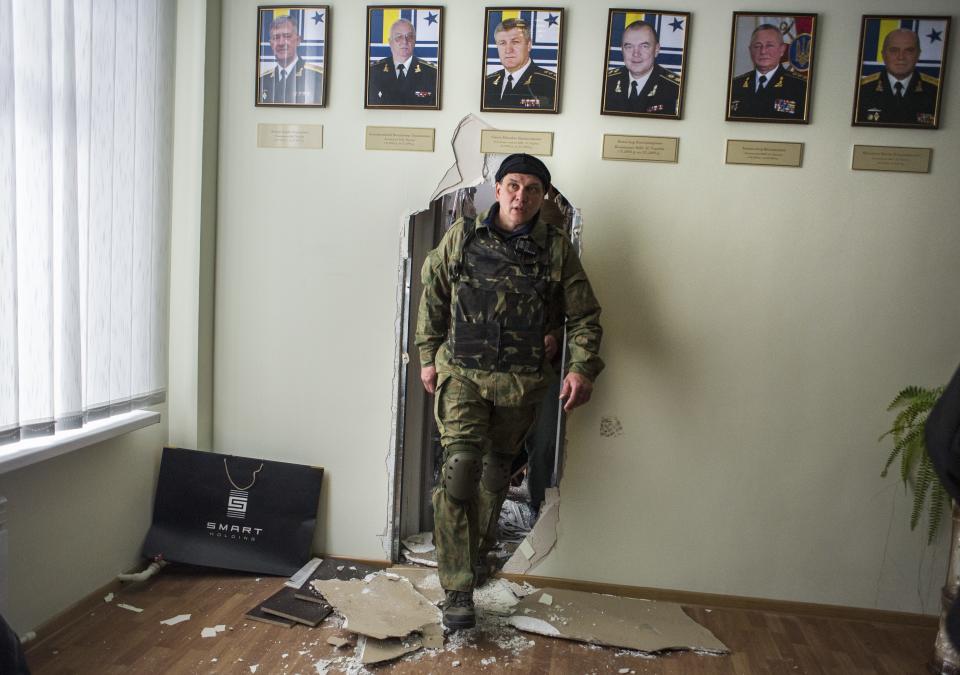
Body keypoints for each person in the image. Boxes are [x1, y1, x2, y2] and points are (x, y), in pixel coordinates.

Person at [416, 154, 604, 630]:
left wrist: (580, 368)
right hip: (462, 373)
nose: (522, 197)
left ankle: (476, 555)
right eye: (514, 186)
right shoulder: (461, 237)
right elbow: (433, 295)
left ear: (544, 197)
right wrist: (426, 356)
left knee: (497, 473)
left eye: (533, 189)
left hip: (519, 381)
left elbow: (582, 315)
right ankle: (457, 589)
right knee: (459, 468)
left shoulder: (557, 249)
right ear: (497, 189)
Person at [857, 28, 939, 126]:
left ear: (918, 54)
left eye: (909, 50)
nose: (901, 57)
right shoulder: (862, 90)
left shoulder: (935, 90)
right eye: (894, 50)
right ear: (883, 54)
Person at [729, 23, 807, 120]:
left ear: (782, 49)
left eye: (769, 45)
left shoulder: (800, 86)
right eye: (757, 46)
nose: (763, 51)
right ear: (750, 50)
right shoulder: (735, 85)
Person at [604, 20, 680, 116]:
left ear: (656, 49)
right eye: (629, 46)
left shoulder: (675, 89)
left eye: (644, 46)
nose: (636, 54)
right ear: (622, 50)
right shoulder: (607, 82)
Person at [482, 19, 557, 110]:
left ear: (528, 45)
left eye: (515, 42)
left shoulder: (551, 83)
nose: (508, 50)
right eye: (502, 43)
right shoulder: (487, 83)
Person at [367, 18, 438, 107]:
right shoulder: (373, 72)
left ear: (414, 41)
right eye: (399, 37)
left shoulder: (432, 73)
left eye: (409, 36)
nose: (404, 41)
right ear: (390, 42)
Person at [258, 15, 323, 104]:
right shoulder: (262, 81)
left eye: (287, 36)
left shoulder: (318, 77)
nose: (281, 43)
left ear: (298, 40)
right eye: (276, 37)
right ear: (271, 44)